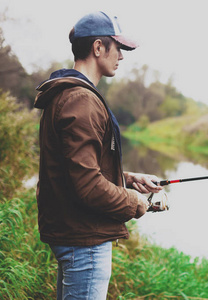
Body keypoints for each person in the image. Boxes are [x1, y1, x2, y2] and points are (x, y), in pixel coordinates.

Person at [34, 11, 166, 299]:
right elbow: (88, 185)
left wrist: (128, 179)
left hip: (76, 234)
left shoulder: (67, 95)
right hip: (85, 242)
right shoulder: (80, 100)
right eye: (117, 48)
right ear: (97, 48)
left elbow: (77, 169)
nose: (121, 56)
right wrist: (134, 202)